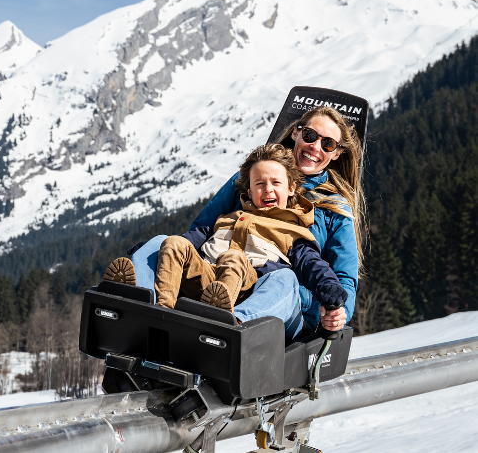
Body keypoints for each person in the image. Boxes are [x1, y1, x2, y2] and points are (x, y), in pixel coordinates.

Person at [106, 106, 362, 339]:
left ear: (337, 152)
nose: (316, 147)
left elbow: (340, 275)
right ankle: (135, 303)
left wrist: (338, 310)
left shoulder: (334, 208)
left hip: (279, 298)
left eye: (327, 143)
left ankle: (231, 324)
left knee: (286, 280)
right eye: (310, 135)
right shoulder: (247, 179)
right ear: (296, 133)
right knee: (162, 243)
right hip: (215, 274)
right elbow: (202, 230)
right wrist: (160, 251)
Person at [148, 144, 347, 316]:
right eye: (260, 184)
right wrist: (154, 250)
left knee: (233, 257)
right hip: (205, 277)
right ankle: (163, 309)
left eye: (276, 183)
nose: (268, 189)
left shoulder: (292, 231)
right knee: (174, 243)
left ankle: (217, 316)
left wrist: (329, 286)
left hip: (248, 287)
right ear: (250, 192)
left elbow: (311, 263)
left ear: (291, 188)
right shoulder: (226, 219)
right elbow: (190, 239)